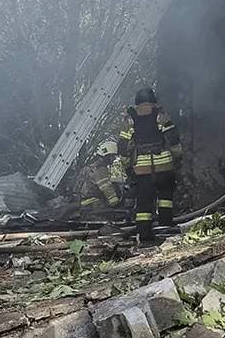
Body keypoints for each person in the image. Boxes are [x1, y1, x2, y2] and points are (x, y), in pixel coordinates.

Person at [120, 87, 180, 243]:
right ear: (153, 100)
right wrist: (177, 157)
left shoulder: (130, 119)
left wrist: (128, 167)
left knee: (144, 203)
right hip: (164, 167)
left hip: (142, 169)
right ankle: (165, 228)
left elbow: (122, 147)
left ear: (137, 102)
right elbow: (173, 139)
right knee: (165, 198)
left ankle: (144, 235)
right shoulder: (160, 115)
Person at [71, 139, 127, 219]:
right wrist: (117, 204)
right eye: (113, 156)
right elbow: (108, 190)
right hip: (95, 206)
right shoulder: (101, 169)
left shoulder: (87, 168)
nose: (114, 159)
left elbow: (76, 188)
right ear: (108, 156)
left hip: (81, 206)